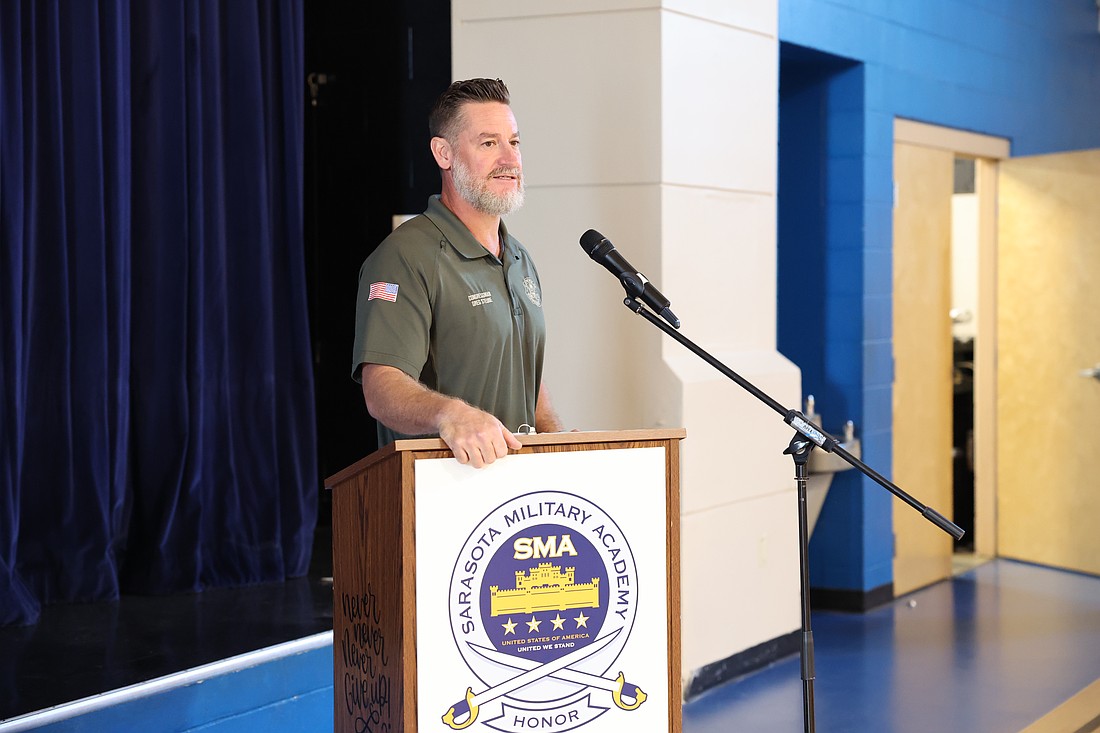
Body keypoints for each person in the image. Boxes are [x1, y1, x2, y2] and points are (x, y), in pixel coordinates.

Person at [351, 78, 564, 468]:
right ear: (443, 153)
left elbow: (526, 379)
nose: (510, 160)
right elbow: (381, 387)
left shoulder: (519, 258)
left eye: (513, 142)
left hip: (518, 499)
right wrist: (452, 415)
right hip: (441, 495)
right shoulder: (404, 255)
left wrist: (558, 441)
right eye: (488, 143)